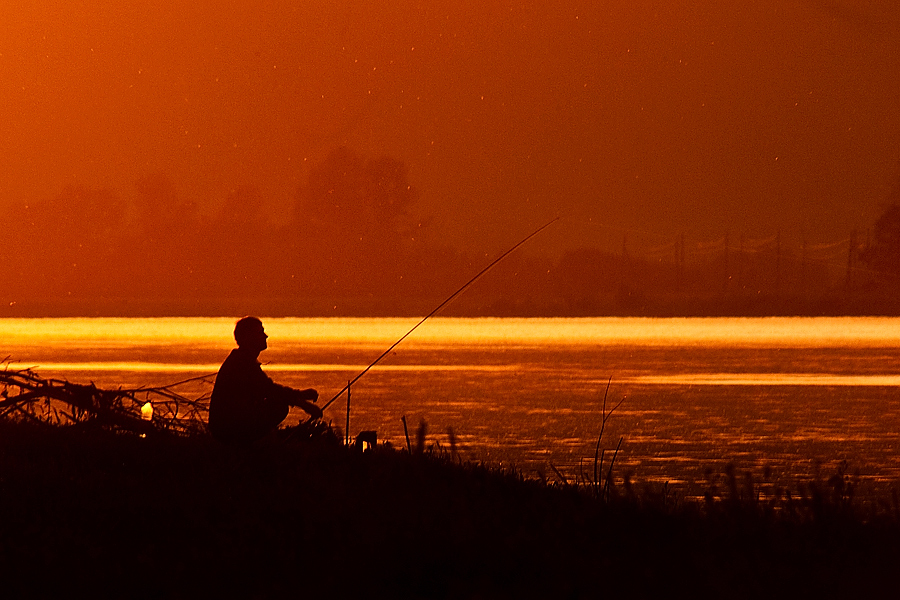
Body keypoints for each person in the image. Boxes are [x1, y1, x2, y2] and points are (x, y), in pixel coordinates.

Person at [209, 316, 322, 444]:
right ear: (248, 338)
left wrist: (300, 397)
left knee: (276, 403)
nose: (266, 336)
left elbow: (267, 389)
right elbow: (269, 390)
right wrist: (303, 402)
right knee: (279, 406)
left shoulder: (243, 359)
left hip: (226, 425)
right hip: (226, 428)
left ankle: (261, 440)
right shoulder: (242, 362)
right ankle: (252, 443)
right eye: (260, 332)